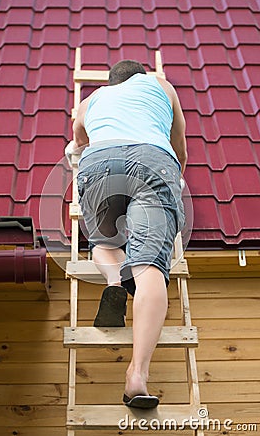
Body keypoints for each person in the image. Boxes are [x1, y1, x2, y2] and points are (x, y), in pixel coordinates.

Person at [65, 60, 187, 409]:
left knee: (104, 242)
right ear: (141, 77)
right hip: (152, 159)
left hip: (99, 160)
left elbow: (78, 141)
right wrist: (176, 176)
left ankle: (114, 282)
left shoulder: (92, 100)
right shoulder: (161, 85)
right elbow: (179, 144)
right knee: (149, 266)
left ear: (111, 82)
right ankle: (137, 376)